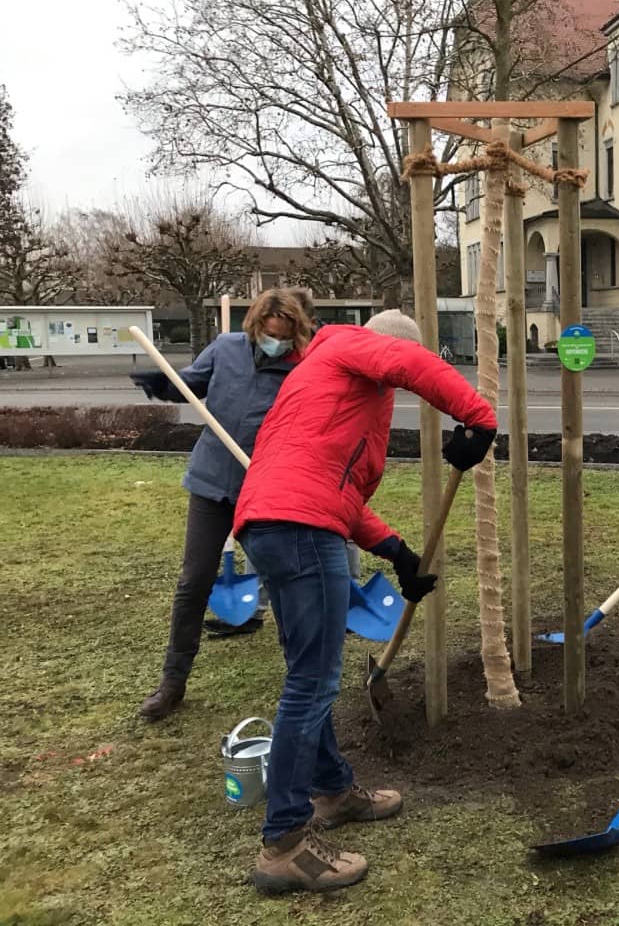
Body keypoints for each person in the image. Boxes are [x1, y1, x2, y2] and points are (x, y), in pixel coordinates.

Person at [233, 309, 496, 896]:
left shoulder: (322, 384)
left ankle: (332, 791)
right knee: (313, 682)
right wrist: (478, 420)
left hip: (276, 523)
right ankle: (284, 845)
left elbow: (335, 487)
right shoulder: (353, 346)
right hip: (299, 528)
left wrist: (397, 552)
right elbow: (406, 361)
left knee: (310, 674)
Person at [131, 288, 315, 721]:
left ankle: (301, 678)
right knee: (194, 581)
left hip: (265, 488)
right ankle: (172, 684)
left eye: (284, 337)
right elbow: (192, 385)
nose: (276, 344)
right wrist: (166, 385)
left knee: (284, 583)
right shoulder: (227, 349)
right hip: (212, 482)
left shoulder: (304, 368)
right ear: (253, 328)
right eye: (268, 335)